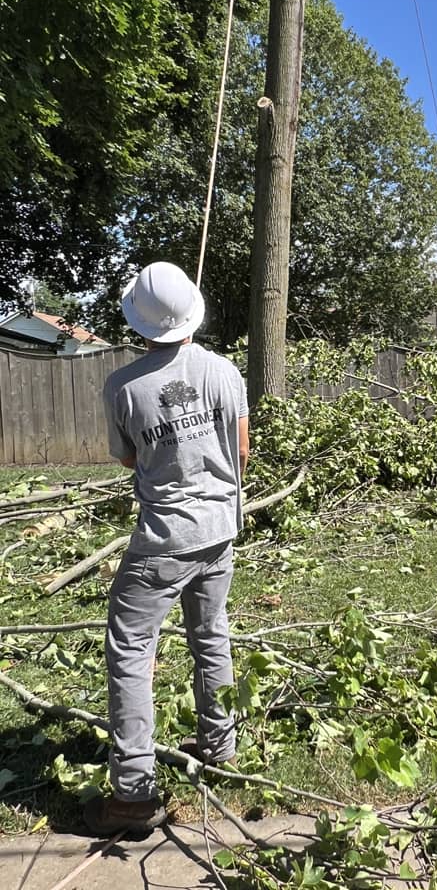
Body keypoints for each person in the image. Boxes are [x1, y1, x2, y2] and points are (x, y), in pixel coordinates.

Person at [84, 262, 249, 836]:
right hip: (220, 528)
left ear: (138, 322)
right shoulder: (225, 372)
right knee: (211, 633)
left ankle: (132, 793)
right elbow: (241, 450)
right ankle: (219, 744)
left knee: (129, 647)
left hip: (164, 540)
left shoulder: (123, 387)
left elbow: (129, 458)